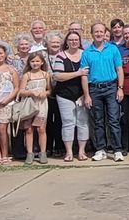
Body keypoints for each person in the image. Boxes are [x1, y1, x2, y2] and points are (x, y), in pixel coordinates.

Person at [80, 23, 125, 162]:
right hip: (94, 89)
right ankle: (101, 149)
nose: (98, 34)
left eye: (101, 31)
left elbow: (119, 70)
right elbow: (84, 75)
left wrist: (120, 88)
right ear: (92, 34)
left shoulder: (112, 49)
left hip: (111, 87)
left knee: (113, 120)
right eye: (96, 32)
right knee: (98, 121)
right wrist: (86, 95)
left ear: (105, 33)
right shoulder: (87, 53)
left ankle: (117, 150)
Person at [53, 31, 90, 161]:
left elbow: (90, 74)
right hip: (65, 94)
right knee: (68, 123)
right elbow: (58, 76)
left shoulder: (86, 54)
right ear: (66, 42)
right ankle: (69, 152)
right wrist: (78, 73)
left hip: (82, 94)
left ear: (79, 41)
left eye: (76, 40)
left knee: (83, 122)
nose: (73, 42)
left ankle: (81, 151)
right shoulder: (60, 56)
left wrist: (85, 95)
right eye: (71, 40)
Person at [19, 51, 52, 165]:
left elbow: (49, 89)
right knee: (29, 129)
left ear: (42, 62)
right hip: (29, 105)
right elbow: (21, 91)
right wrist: (31, 92)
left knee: (41, 128)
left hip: (41, 104)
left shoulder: (45, 75)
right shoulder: (27, 75)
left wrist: (46, 93)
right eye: (32, 61)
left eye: (37, 61)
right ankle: (30, 153)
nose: (35, 63)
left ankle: (43, 152)